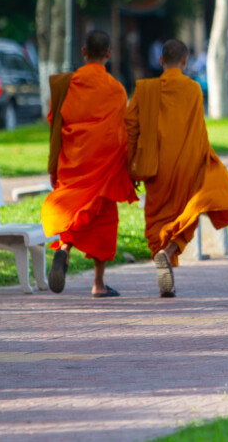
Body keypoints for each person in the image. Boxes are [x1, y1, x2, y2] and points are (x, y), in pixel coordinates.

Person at [125, 39, 228, 297]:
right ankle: (167, 253)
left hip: (154, 166)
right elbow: (197, 130)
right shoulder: (193, 89)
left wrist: (131, 167)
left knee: (156, 219)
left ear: (161, 61)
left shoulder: (144, 89)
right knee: (189, 213)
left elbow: (131, 129)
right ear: (185, 61)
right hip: (187, 164)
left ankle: (160, 252)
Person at [42, 30, 138, 297]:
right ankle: (98, 284)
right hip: (103, 166)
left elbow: (55, 123)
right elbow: (122, 130)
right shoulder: (116, 89)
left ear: (83, 52)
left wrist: (55, 164)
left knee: (74, 211)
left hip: (73, 162)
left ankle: (63, 251)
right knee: (103, 221)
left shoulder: (67, 85)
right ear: (109, 54)